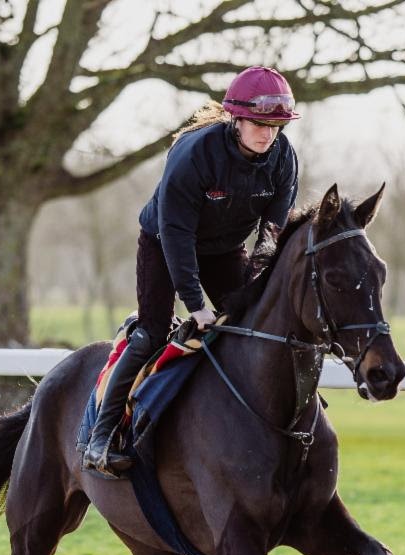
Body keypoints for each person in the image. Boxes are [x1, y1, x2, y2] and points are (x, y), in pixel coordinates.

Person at [82, 65, 301, 477]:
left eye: (276, 126)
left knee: (250, 325)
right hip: (165, 242)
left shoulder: (284, 158)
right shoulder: (195, 153)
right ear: (235, 119)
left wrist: (255, 287)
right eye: (259, 124)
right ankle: (101, 435)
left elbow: (271, 236)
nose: (268, 134)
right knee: (152, 334)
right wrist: (196, 303)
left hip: (224, 250)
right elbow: (176, 234)